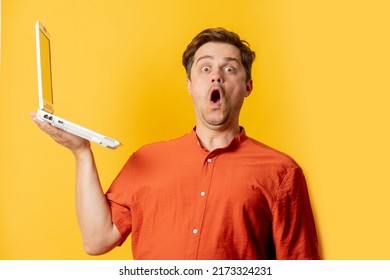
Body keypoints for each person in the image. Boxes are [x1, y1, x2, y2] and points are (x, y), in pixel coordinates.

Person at [31, 27, 320, 260]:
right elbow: (97, 239)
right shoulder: (147, 160)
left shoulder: (282, 172)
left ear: (247, 87)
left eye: (230, 69)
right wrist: (81, 152)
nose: (216, 75)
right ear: (190, 85)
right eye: (205, 69)